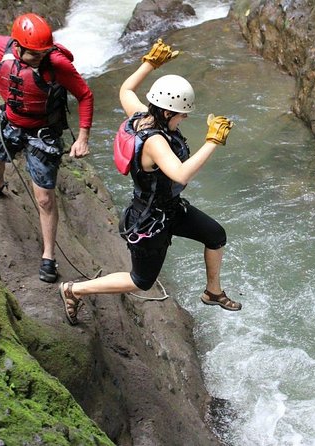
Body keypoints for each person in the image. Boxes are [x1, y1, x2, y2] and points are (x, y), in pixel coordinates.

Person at [57, 39, 241, 326]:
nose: (185, 118)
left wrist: (150, 64)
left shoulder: (142, 115)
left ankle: (212, 292)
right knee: (141, 281)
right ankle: (74, 290)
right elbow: (180, 174)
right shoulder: (154, 141)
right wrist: (213, 141)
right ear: (167, 112)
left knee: (216, 236)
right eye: (182, 114)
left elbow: (126, 90)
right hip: (149, 221)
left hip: (169, 208)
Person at [0, 13, 93, 282]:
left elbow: (84, 95)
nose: (40, 58)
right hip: (11, 122)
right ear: (17, 46)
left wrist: (82, 137)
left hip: (43, 134)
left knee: (44, 198)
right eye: (34, 54)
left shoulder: (57, 63)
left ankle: (48, 257)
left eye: (43, 53)